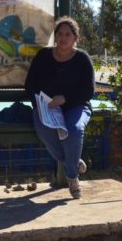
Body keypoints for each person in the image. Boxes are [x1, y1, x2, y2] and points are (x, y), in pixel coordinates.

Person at [24, 16, 95, 199]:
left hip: (76, 106)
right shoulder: (43, 56)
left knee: (74, 129)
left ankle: (72, 176)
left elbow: (88, 91)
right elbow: (30, 85)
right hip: (47, 108)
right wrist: (40, 103)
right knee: (44, 128)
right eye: (60, 34)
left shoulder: (82, 59)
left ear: (75, 38)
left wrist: (65, 99)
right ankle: (72, 162)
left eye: (68, 34)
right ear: (55, 36)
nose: (63, 38)